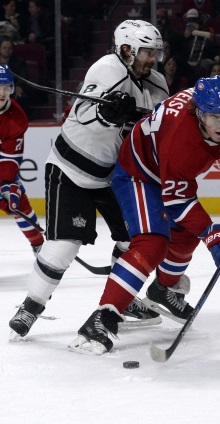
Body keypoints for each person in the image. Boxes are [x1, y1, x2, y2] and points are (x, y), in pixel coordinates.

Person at [69, 76, 220, 354]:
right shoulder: (183, 139)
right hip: (140, 174)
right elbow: (177, 200)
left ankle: (162, 291)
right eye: (213, 118)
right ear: (198, 112)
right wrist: (212, 234)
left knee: (185, 235)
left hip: (167, 171)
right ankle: (100, 320)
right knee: (152, 243)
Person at [8, 20, 169, 338]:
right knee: (62, 247)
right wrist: (106, 114)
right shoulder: (107, 69)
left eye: (155, 52)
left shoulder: (158, 84)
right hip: (71, 171)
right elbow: (81, 112)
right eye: (147, 52)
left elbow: (162, 127)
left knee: (135, 241)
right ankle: (31, 306)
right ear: (126, 50)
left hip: (115, 177)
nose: (153, 58)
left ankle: (122, 299)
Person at [0, 64, 43, 254]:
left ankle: (39, 246)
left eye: (6, 88)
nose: (2, 93)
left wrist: (6, 185)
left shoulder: (16, 119)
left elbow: (9, 162)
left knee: (18, 201)